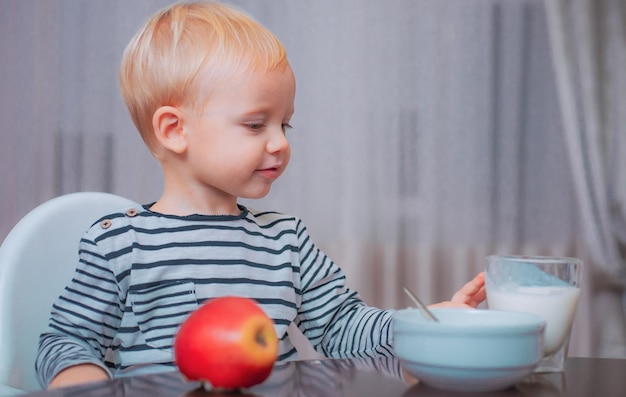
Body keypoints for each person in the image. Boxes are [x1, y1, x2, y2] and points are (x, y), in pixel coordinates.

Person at [35, 1, 486, 389]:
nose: (280, 143)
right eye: (256, 124)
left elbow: (342, 327)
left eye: (284, 124)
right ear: (175, 130)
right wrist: (82, 382)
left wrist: (426, 324)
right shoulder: (118, 243)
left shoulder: (285, 240)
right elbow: (67, 341)